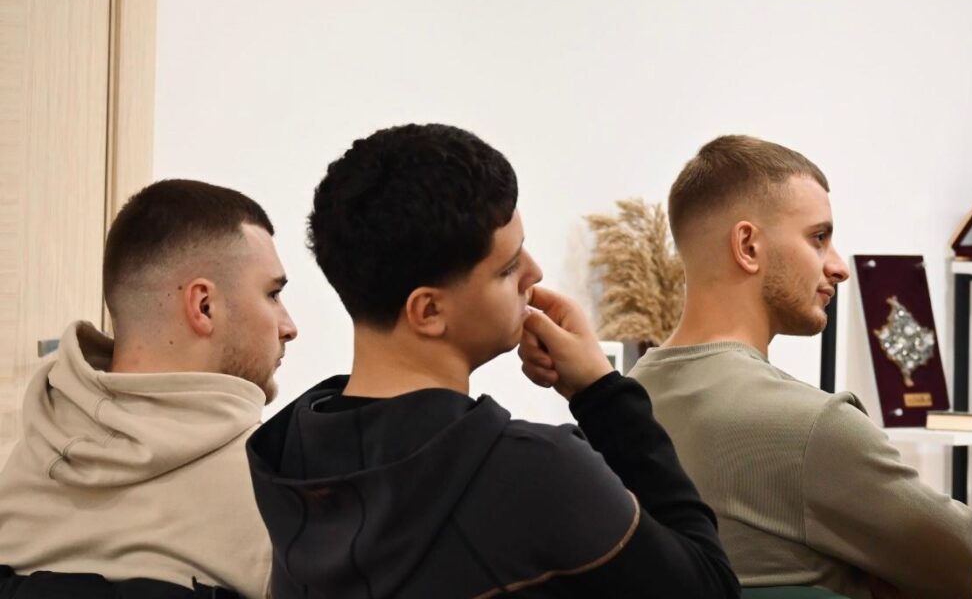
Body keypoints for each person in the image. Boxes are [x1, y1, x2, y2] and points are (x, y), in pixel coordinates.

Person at [246, 123, 739, 599]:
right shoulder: (536, 473)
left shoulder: (291, 456)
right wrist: (602, 394)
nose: (534, 273)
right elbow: (709, 586)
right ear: (428, 310)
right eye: (507, 268)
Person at [628, 134, 972, 599]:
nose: (839, 267)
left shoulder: (619, 409)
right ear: (748, 246)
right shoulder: (813, 427)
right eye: (818, 238)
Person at [0, 179, 298, 598]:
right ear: (204, 306)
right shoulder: (279, 502)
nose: (289, 326)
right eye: (273, 294)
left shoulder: (18, 474)